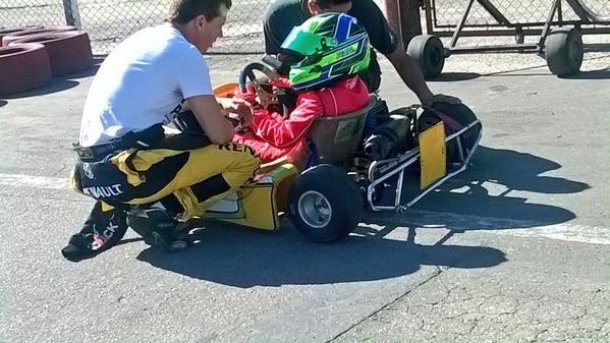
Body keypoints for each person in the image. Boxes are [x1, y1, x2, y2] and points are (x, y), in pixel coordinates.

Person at [61, 0, 260, 262]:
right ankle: (161, 209)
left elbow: (164, 97)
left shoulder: (143, 39)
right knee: (244, 158)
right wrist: (240, 120)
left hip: (93, 172)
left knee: (180, 137)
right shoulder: (186, 54)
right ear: (200, 21)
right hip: (127, 173)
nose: (220, 36)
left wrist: (219, 103)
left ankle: (126, 204)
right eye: (219, 26)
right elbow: (219, 135)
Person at [232, 12, 371, 164]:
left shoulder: (314, 100)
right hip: (335, 152)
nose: (301, 59)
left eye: (307, 54)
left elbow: (281, 136)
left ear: (336, 55)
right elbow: (323, 91)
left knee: (230, 139)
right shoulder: (358, 86)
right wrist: (287, 83)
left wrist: (253, 111)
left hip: (295, 158)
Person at [263, 0, 459, 106]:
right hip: (302, 77)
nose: (346, 18)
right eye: (338, 15)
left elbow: (398, 56)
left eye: (348, 12)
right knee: (262, 86)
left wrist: (427, 97)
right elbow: (275, 68)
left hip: (354, 75)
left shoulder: (363, 8)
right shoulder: (279, 16)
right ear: (314, 6)